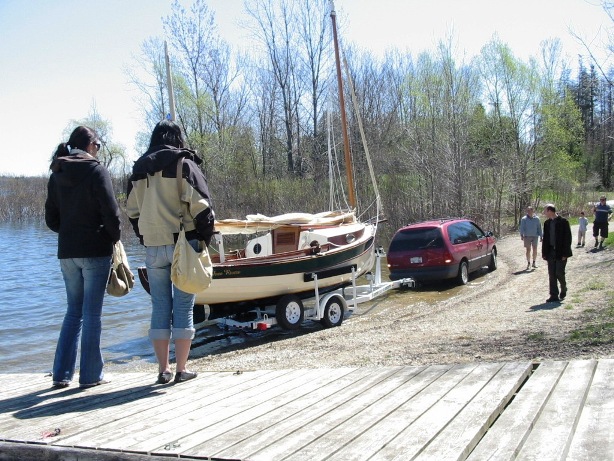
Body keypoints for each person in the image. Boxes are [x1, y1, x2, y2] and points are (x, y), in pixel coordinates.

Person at [126, 120, 214, 384]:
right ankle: (181, 369)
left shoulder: (140, 168)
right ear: (178, 138)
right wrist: (201, 242)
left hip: (153, 246)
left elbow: (132, 213)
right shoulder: (183, 164)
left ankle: (163, 370)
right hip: (183, 244)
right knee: (184, 308)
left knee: (160, 307)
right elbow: (204, 209)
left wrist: (145, 237)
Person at [45, 126, 121, 389]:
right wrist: (113, 237)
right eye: (97, 146)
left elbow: (50, 219)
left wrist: (69, 232)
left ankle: (61, 375)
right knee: (91, 315)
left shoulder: (57, 172)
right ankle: (90, 376)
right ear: (90, 146)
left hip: (67, 252)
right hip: (95, 250)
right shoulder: (96, 170)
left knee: (73, 312)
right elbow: (111, 213)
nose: (98, 150)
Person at [541, 204, 572, 303]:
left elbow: (568, 238)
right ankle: (553, 295)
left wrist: (565, 254)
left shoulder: (563, 222)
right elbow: (545, 239)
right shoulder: (547, 223)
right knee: (552, 274)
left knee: (559, 272)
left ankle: (563, 287)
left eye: (545, 210)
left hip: (561, 252)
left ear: (550, 211)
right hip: (550, 251)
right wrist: (544, 253)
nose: (544, 213)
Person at [519, 206, 542, 270]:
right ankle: (528, 263)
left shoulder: (537, 219)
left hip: (535, 236)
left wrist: (541, 236)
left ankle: (534, 262)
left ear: (532, 211)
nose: (528, 212)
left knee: (535, 249)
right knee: (528, 250)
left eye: (530, 210)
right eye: (527, 210)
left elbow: (539, 227)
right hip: (527, 236)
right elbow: (522, 227)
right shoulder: (524, 219)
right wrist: (521, 234)